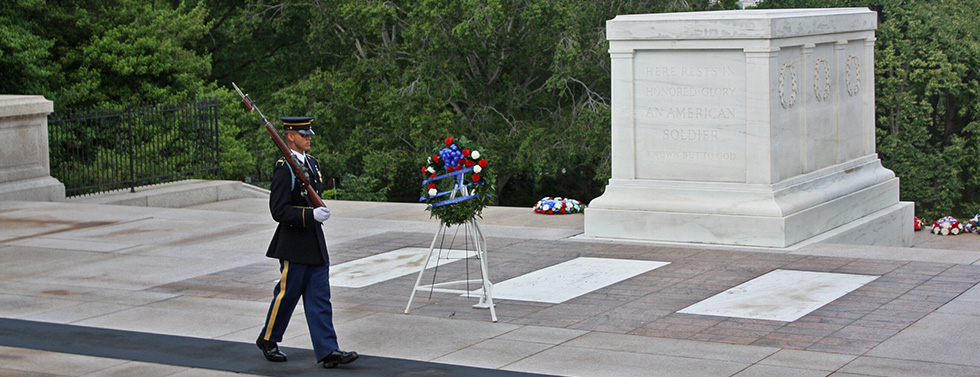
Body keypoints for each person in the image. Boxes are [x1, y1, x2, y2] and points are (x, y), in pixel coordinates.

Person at [255, 116, 359, 369]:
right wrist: (309, 214)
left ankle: (328, 350)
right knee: (287, 294)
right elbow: (278, 210)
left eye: (309, 133)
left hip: (314, 241)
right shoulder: (284, 167)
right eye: (303, 134)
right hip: (293, 243)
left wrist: (316, 212)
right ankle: (268, 339)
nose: (309, 138)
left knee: (320, 297)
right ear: (290, 136)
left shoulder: (311, 164)